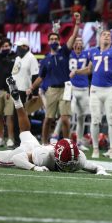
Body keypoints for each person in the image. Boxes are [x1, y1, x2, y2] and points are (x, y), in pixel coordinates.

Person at [0, 76, 111, 176]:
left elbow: (95, 166)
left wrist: (101, 171)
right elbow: (18, 159)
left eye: (71, 164)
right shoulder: (44, 156)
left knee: (25, 131)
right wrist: (33, 168)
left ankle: (17, 100)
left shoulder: (78, 158)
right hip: (28, 152)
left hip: (36, 146)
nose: (70, 167)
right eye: (67, 164)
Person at [70, 30, 112, 159]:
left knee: (111, 121)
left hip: (109, 90)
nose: (107, 36)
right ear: (99, 38)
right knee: (95, 121)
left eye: (109, 35)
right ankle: (95, 149)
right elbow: (89, 69)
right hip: (95, 89)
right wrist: (77, 71)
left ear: (111, 39)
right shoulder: (92, 51)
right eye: (104, 35)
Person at [29, 13, 81, 144]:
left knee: (64, 118)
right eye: (51, 39)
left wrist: (77, 23)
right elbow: (41, 77)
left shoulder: (64, 51)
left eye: (55, 39)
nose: (53, 41)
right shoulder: (46, 59)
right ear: (48, 41)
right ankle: (44, 143)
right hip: (51, 90)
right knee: (48, 118)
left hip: (65, 88)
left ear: (59, 41)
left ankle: (67, 142)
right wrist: (31, 88)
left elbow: (73, 37)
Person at [69, 37, 90, 151]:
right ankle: (58, 136)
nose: (78, 43)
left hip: (83, 88)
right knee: (68, 112)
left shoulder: (86, 54)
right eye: (76, 41)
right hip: (71, 87)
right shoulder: (69, 53)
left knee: (81, 116)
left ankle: (79, 141)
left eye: (80, 41)